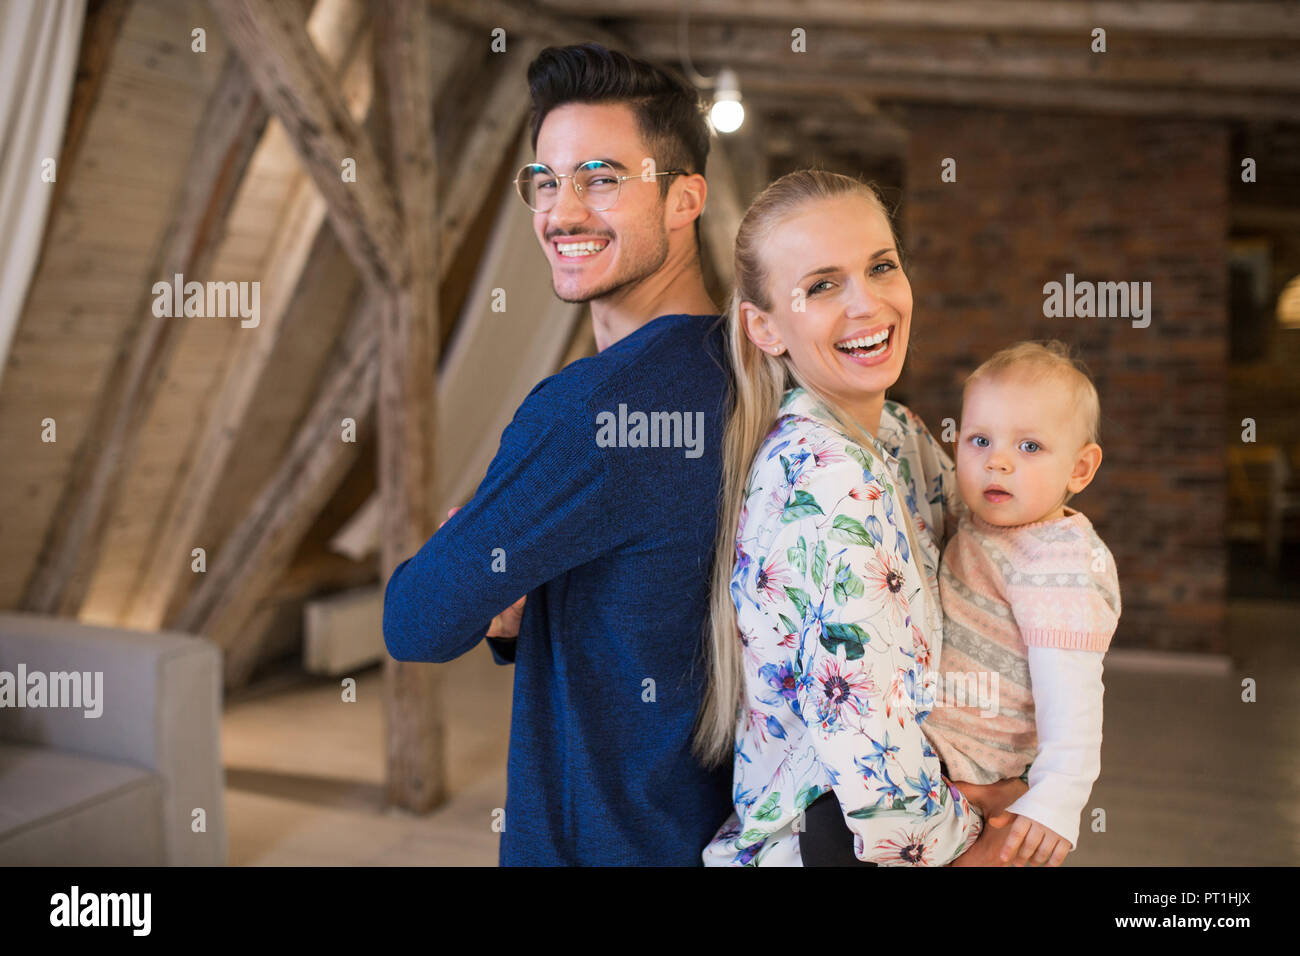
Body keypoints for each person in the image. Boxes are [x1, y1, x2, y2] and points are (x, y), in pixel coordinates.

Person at [382, 43, 732, 865]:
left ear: (686, 199)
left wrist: (477, 574)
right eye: (546, 180)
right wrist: (523, 603)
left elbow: (417, 621)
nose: (562, 212)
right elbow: (651, 599)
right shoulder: (754, 368)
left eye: (603, 179)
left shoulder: (587, 411)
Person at [695, 168, 1026, 866]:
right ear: (764, 327)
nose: (868, 304)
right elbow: (867, 737)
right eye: (821, 286)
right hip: (835, 849)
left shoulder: (899, 436)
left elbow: (1002, 561)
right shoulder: (832, 476)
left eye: (881, 266)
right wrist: (976, 844)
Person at [920, 339, 1121, 866]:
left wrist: (1056, 796)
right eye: (979, 440)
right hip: (945, 757)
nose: (998, 463)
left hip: (986, 774)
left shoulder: (1058, 563)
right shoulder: (983, 521)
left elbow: (1073, 697)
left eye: (1029, 447)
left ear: (1079, 470)